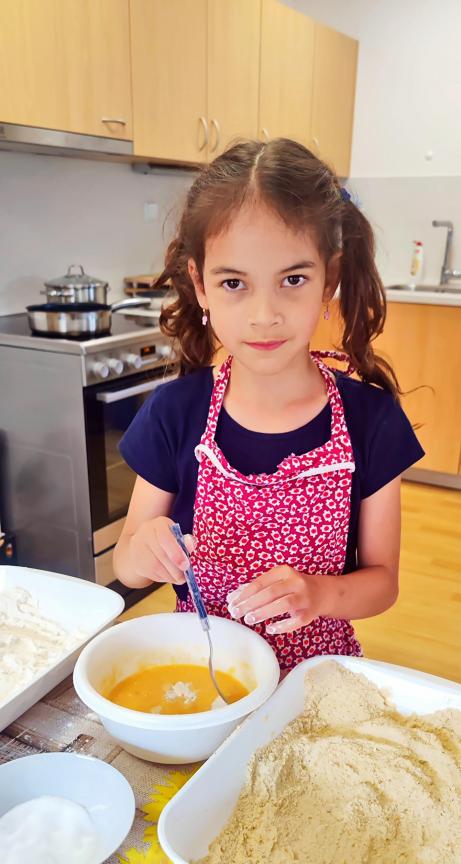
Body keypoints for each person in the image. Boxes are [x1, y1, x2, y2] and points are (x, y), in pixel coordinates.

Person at [114, 138, 424, 671]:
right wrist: (144, 551)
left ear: (329, 279)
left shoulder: (371, 420)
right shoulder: (174, 413)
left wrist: (318, 594)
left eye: (293, 279)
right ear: (201, 286)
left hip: (315, 677)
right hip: (203, 672)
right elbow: (126, 565)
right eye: (234, 282)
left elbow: (382, 583)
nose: (264, 315)